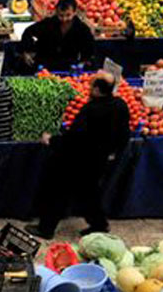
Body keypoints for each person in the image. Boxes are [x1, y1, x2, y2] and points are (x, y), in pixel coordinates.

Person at [27, 71, 130, 239]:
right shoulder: (120, 105)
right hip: (99, 160)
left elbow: (74, 138)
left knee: (58, 192)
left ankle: (46, 229)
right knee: (88, 192)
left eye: (91, 85)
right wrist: (114, 152)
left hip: (78, 159)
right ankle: (99, 224)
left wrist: (51, 140)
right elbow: (124, 134)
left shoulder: (91, 110)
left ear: (97, 89)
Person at [20, 0, 96, 70]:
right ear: (56, 12)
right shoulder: (48, 24)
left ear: (74, 12)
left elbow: (88, 49)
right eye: (61, 15)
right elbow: (28, 32)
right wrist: (26, 51)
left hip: (68, 66)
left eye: (68, 15)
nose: (64, 19)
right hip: (45, 65)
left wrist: (83, 62)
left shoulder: (82, 29)